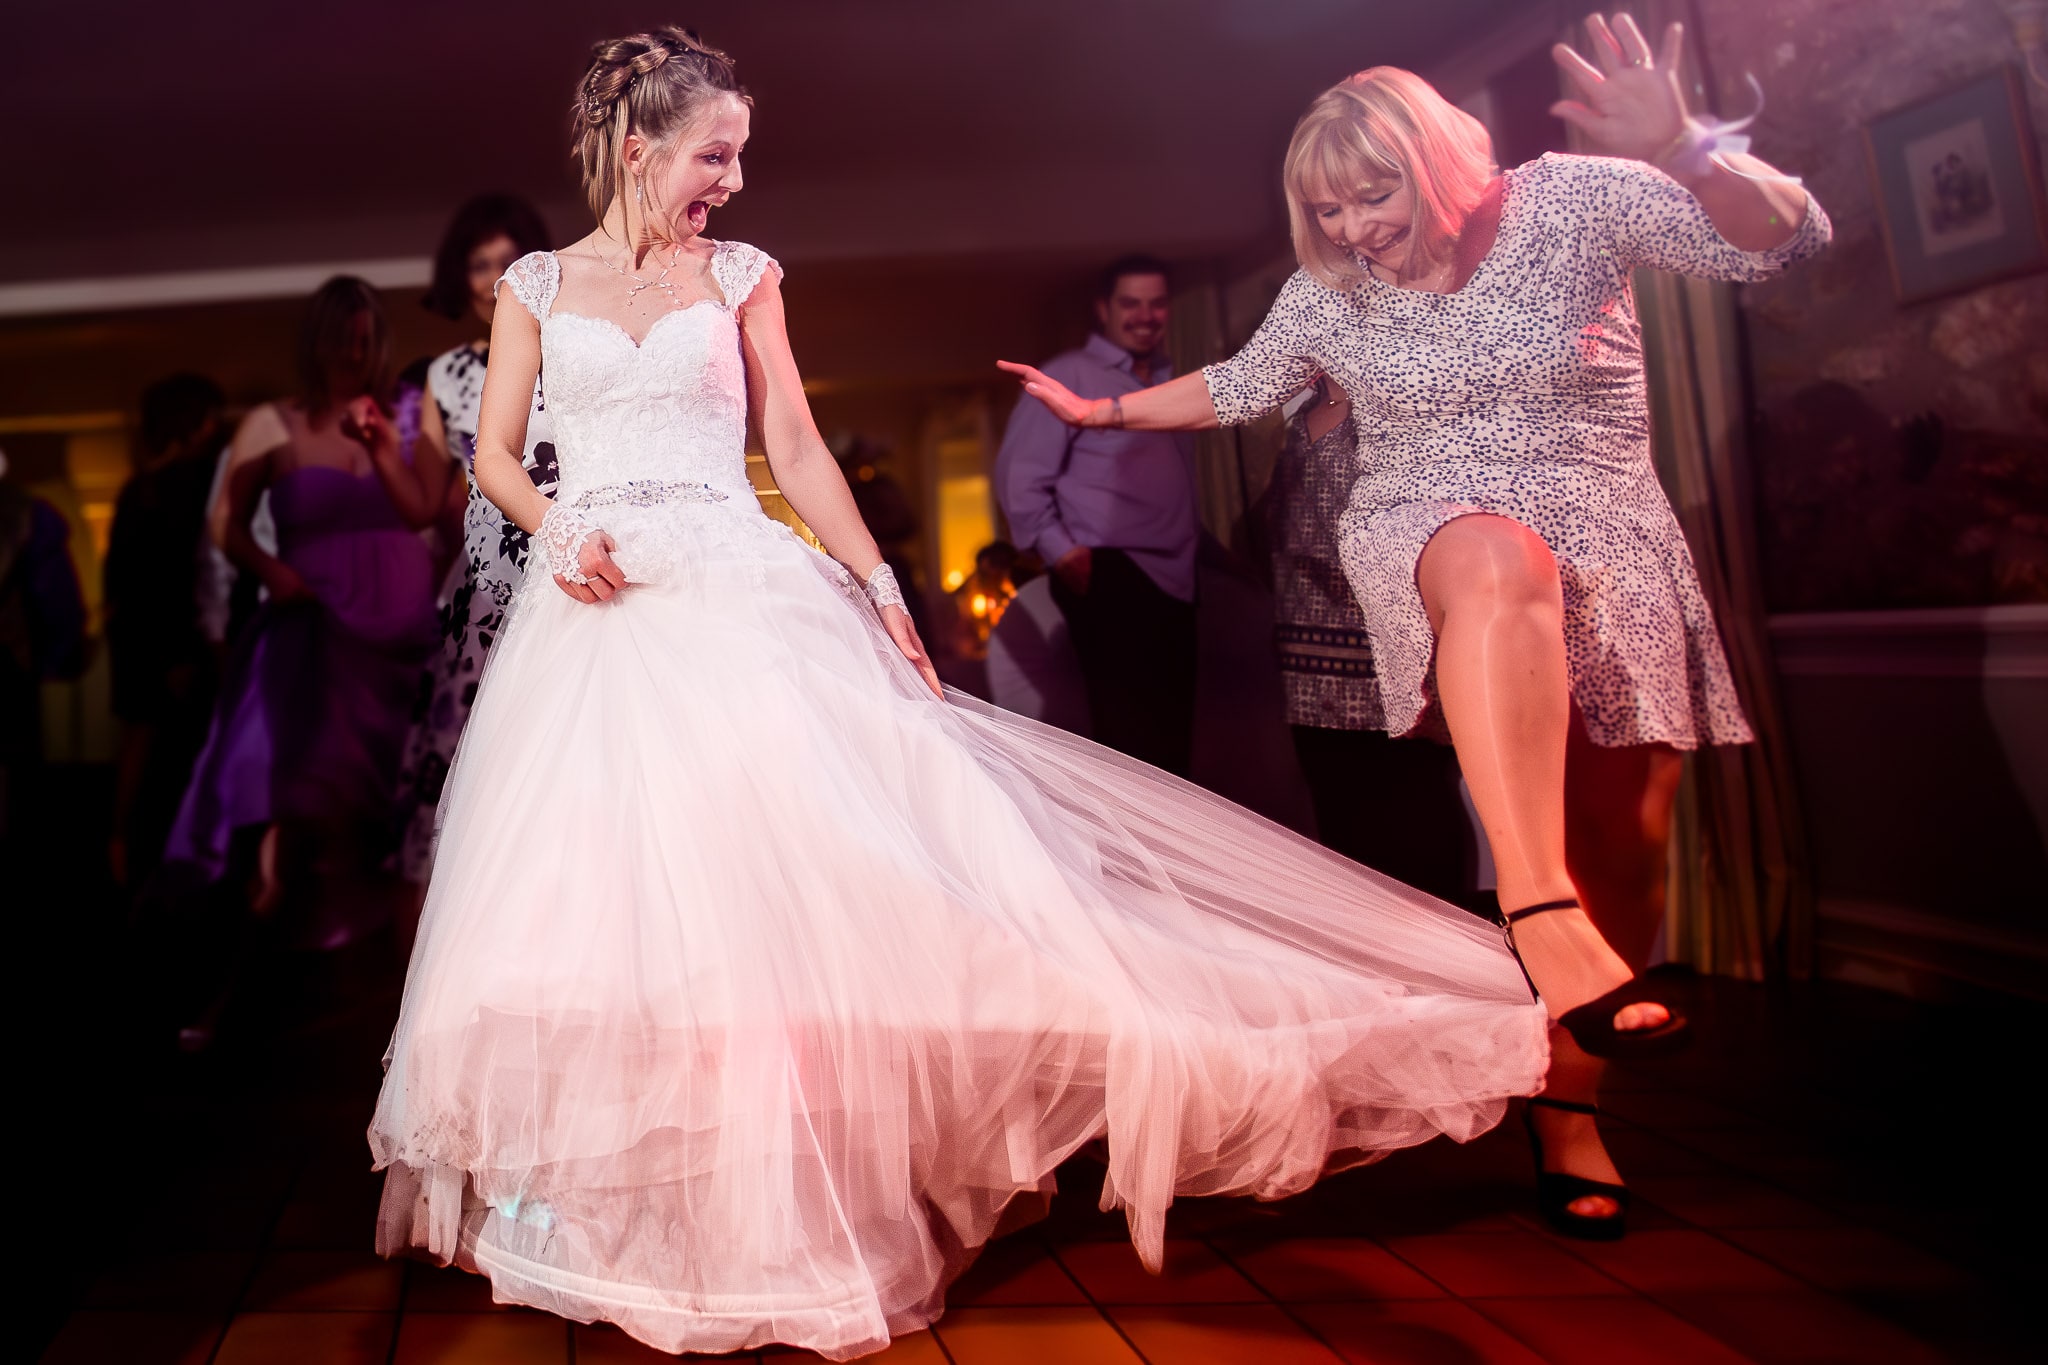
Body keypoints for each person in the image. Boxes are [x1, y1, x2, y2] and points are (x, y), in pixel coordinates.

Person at [369, 28, 1547, 1360]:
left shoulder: (742, 277)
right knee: (610, 908)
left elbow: (796, 446)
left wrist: (878, 591)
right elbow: (496, 460)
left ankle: (789, 1204)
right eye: (718, 154)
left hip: (736, 587)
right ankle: (616, 1206)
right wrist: (559, 525)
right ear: (640, 146)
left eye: (741, 156)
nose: (735, 182)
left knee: (795, 890)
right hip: (593, 611)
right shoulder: (534, 287)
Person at [1002, 12, 1831, 1241]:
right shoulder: (1330, 296)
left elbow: (1778, 244)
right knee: (1495, 555)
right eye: (1322, 210)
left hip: (1614, 543)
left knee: (1625, 840)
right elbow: (1238, 383)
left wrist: (1695, 148)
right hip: (1429, 525)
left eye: (1367, 196)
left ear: (1435, 159)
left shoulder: (1574, 204)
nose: (1345, 231)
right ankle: (1536, 909)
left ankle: (1566, 1105)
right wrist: (1101, 417)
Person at [164, 277, 441, 936]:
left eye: (365, 341)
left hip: (406, 631)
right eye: (340, 341)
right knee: (313, 787)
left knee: (406, 798)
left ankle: (402, 958)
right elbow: (225, 524)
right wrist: (270, 571)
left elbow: (442, 509)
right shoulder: (272, 421)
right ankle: (294, 942)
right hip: (315, 625)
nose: (352, 353)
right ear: (315, 344)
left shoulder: (408, 413)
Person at [382, 194, 556, 930]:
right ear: (461, 278)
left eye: (506, 261)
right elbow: (425, 505)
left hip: (564, 565)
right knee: (477, 759)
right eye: (479, 265)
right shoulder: (446, 375)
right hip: (485, 587)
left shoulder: (573, 343)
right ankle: (472, 936)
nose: (493, 277)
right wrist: (372, 451)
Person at [1265, 376, 1473, 905]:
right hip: (1308, 664)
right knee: (1344, 821)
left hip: (1389, 649)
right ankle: (1381, 964)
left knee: (1415, 808)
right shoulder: (1303, 410)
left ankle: (1453, 958)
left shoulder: (1403, 403)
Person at [994, 256, 1199, 776]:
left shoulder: (1173, 378)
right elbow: (1020, 476)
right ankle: (1136, 857)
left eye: (1156, 303)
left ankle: (1174, 853)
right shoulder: (1072, 375)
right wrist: (1064, 553)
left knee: (1173, 744)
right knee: (1132, 744)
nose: (1145, 315)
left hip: (1176, 578)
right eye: (1131, 303)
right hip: (1109, 573)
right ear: (1104, 309)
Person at [104, 374, 230, 890]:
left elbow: (121, 582)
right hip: (183, 651)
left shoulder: (140, 490)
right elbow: (181, 575)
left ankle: (128, 859)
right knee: (182, 765)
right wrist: (183, 653)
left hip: (147, 647)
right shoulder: (189, 484)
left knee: (144, 756)